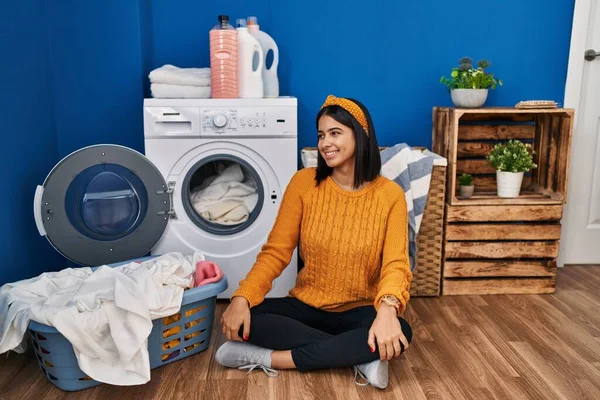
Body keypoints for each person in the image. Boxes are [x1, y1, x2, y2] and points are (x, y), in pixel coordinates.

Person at [215, 94, 413, 389]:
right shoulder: (303, 184)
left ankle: (271, 359)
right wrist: (241, 298)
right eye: (321, 135)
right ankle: (359, 355)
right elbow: (276, 252)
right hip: (306, 307)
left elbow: (396, 264)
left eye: (335, 133)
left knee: (402, 329)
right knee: (251, 318)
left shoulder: (390, 196)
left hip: (359, 310)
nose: (325, 143)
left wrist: (386, 311)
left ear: (361, 136)